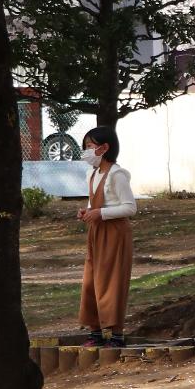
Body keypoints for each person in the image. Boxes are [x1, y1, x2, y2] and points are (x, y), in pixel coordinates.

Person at [77, 127, 137, 348]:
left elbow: (130, 207)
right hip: (96, 232)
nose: (86, 151)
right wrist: (87, 211)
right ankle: (95, 332)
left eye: (90, 147)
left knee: (112, 281)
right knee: (91, 280)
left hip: (115, 233)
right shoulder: (92, 174)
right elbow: (95, 203)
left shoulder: (117, 174)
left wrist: (100, 213)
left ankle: (116, 335)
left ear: (104, 148)